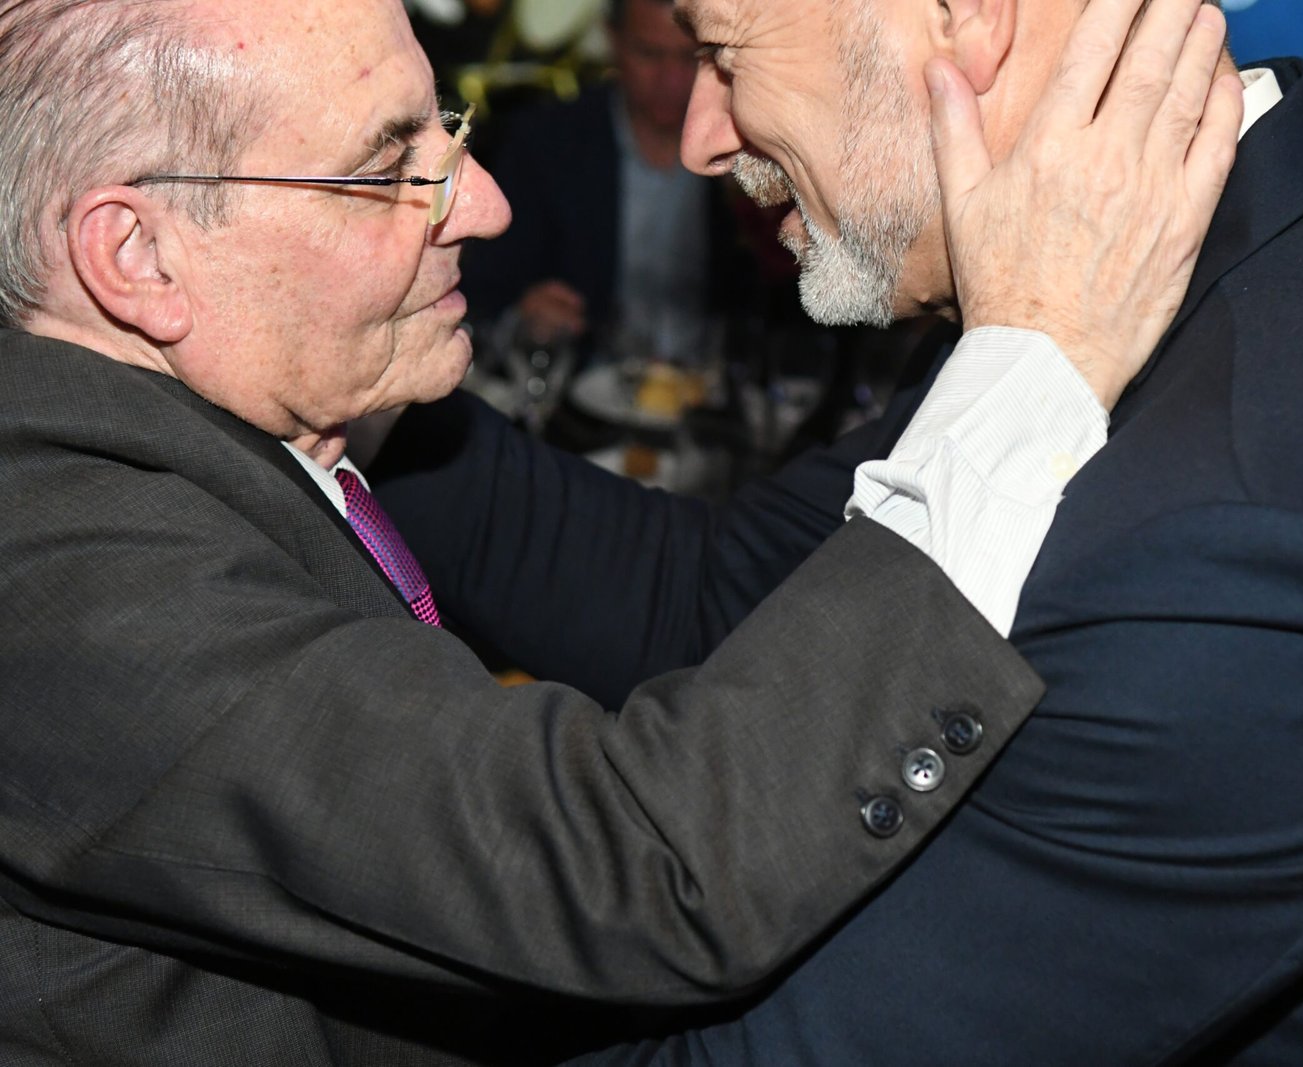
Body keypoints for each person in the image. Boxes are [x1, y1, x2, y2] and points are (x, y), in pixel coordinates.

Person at [0, 0, 1237, 1063]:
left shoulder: (231, 427)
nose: (482, 205)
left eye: (449, 133)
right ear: (137, 255)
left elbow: (691, 588)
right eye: (385, 170)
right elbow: (634, 864)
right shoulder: (59, 562)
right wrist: (1035, 358)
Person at [371, 0, 1303, 1059]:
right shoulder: (1114, 279)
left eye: (726, 52)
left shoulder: (1251, 555)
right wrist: (345, 381)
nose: (701, 136)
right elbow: (715, 597)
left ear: (965, 16)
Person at [460, 0, 743, 352]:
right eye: (650, 54)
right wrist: (524, 317)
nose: (671, 79)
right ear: (614, 41)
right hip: (583, 377)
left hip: (718, 375)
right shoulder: (547, 144)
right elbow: (484, 295)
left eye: (691, 58)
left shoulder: (747, 144)